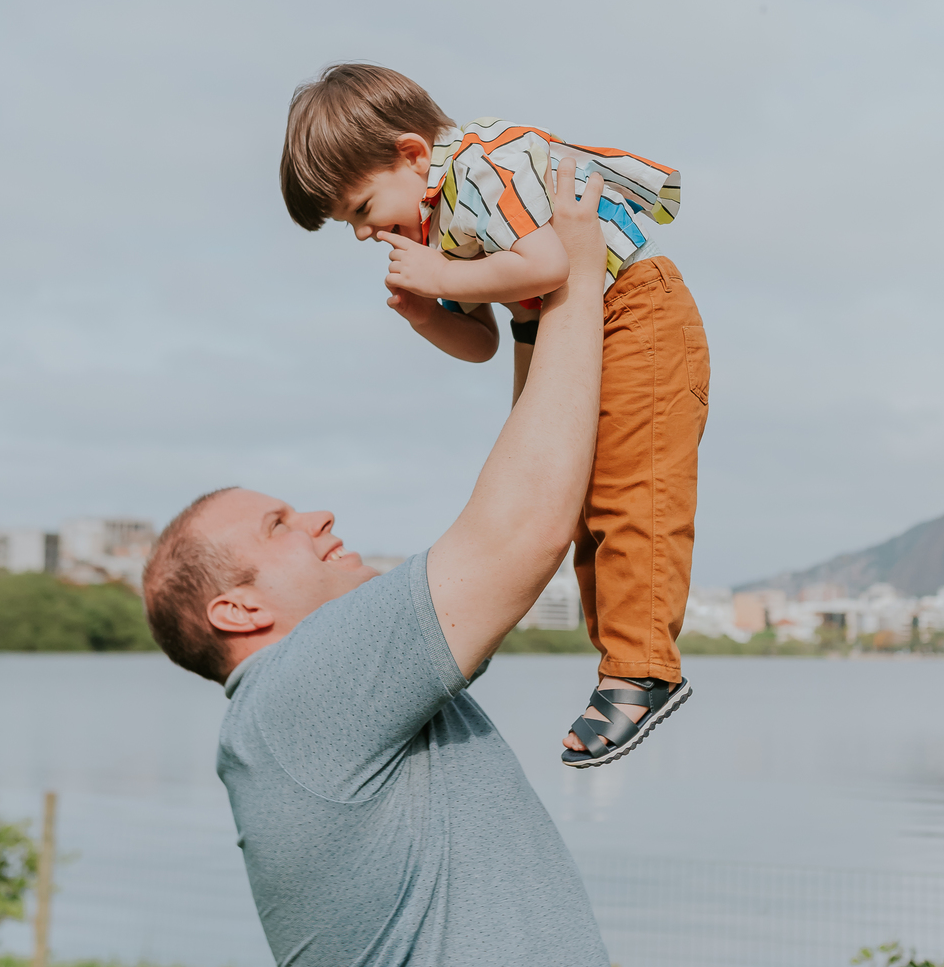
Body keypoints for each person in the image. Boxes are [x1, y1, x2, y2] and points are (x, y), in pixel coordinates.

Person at [142, 157, 661, 967]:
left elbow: (533, 482)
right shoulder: (303, 690)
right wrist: (573, 281)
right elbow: (521, 528)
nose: (319, 512)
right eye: (280, 522)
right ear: (239, 609)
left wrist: (531, 305)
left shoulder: (339, 701)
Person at [279, 62, 710, 767]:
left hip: (636, 312)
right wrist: (426, 314)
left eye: (360, 210)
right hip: (563, 335)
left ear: (413, 156)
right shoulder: (435, 219)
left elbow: (544, 264)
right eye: (346, 226)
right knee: (576, 507)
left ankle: (643, 668)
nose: (362, 235)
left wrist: (444, 276)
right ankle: (622, 658)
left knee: (636, 492)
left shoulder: (484, 165)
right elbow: (478, 342)